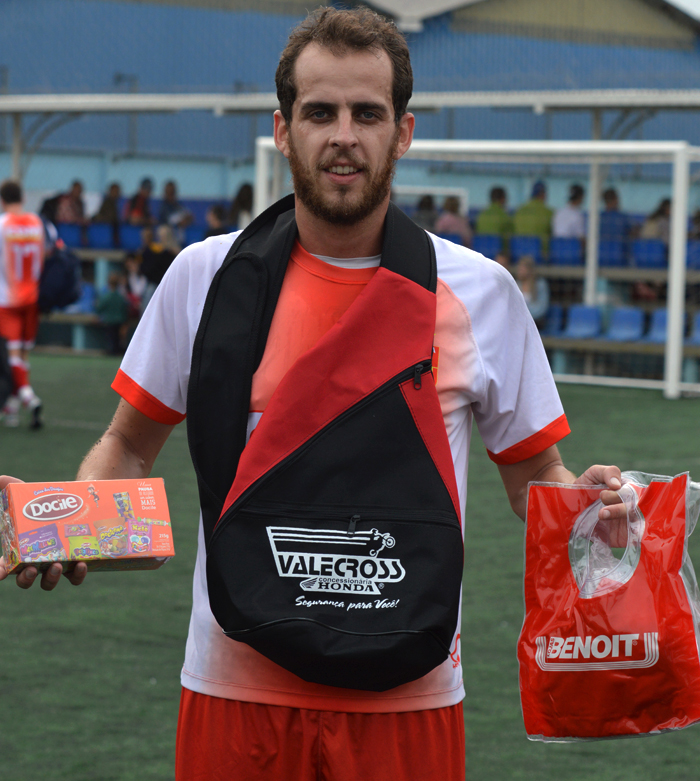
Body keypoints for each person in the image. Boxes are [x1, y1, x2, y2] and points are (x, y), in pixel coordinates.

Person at [0, 8, 626, 779]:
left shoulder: (481, 292)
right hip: (234, 691)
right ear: (281, 128)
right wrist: (71, 524)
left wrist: (585, 507)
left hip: (410, 696)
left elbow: (536, 475)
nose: (343, 135)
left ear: (403, 132)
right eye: (319, 112)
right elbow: (129, 442)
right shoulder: (204, 275)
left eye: (368, 113)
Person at [0, 179, 45, 429]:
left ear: (2, 200)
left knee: (12, 355)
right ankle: (12, 408)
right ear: (23, 198)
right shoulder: (36, 223)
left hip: (7, 299)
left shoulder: (3, 224)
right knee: (24, 354)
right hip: (32, 297)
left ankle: (29, 398)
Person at [513, 180, 553, 256]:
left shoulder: (519, 211)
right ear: (543, 194)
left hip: (519, 253)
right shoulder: (548, 213)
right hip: (540, 254)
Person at [95, 272, 129, 355]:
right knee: (117, 339)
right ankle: (117, 350)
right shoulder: (120, 297)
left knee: (111, 338)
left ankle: (112, 350)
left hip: (109, 321)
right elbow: (124, 309)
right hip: (120, 321)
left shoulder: (107, 296)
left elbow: (99, 308)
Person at [515, 255, 549, 329]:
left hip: (536, 321)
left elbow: (541, 307)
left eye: (522, 268)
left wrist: (525, 315)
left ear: (529, 270)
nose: (519, 270)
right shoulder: (516, 285)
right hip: (519, 321)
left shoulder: (540, 284)